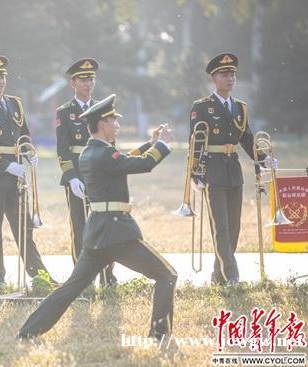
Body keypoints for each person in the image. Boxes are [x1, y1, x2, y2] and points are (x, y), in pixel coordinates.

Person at [18, 94, 177, 342]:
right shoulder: (103, 154)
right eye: (114, 120)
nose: (118, 125)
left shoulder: (93, 152)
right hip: (117, 234)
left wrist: (150, 143)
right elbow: (140, 165)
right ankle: (159, 335)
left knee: (70, 289)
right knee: (167, 275)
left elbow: (123, 161)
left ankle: (27, 332)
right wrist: (163, 145)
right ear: (102, 123)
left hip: (97, 234)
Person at [189, 53, 277, 286]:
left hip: (233, 171)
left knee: (234, 225)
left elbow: (247, 139)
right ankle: (232, 275)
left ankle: (218, 276)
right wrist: (195, 173)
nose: (230, 78)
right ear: (214, 78)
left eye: (233, 74)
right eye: (225, 75)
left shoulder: (240, 108)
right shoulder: (202, 107)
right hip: (212, 171)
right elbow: (195, 142)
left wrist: (264, 159)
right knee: (221, 226)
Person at [0, 55, 55, 285]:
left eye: (3, 76)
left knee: (24, 230)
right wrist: (7, 166)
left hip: (17, 179)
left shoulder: (15, 103)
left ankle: (39, 276)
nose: (1, 81)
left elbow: (23, 133)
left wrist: (30, 154)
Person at [55, 58, 116, 286]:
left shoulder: (104, 109)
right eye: (83, 79)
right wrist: (71, 177)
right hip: (78, 176)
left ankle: (108, 276)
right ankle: (82, 279)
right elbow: (62, 149)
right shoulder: (64, 112)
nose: (88, 83)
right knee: (80, 228)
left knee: (106, 226)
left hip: (101, 175)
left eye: (91, 79)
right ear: (73, 83)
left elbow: (112, 143)